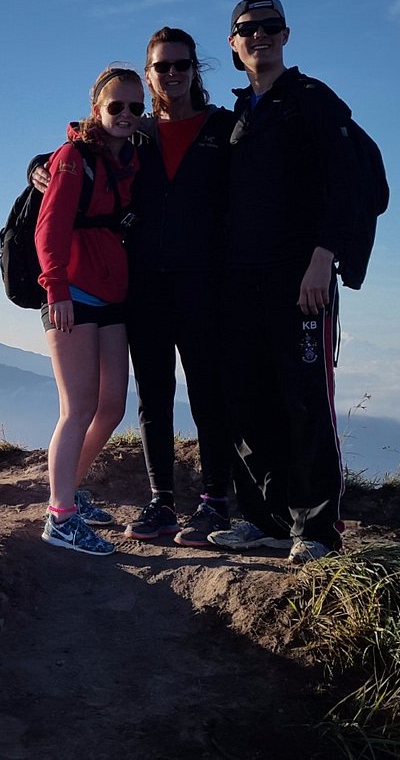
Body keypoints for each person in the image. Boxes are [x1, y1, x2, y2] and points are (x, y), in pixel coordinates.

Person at [208, 0, 355, 563]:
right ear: (234, 42)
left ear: (286, 35)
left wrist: (323, 260)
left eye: (270, 26)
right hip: (240, 282)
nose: (259, 35)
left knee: (304, 401)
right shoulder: (241, 112)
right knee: (247, 399)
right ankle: (264, 520)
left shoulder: (312, 100)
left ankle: (316, 530)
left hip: (300, 279)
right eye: (248, 28)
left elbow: (344, 186)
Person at [120, 29, 240, 547]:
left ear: (197, 69)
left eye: (181, 65)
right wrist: (37, 167)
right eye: (161, 66)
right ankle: (161, 502)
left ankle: (216, 501)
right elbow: (76, 151)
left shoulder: (225, 128)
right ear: (148, 75)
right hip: (144, 286)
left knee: (209, 391)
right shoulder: (132, 133)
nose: (172, 74)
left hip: (205, 284)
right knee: (153, 394)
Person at [37, 67, 141, 556]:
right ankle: (60, 517)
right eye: (115, 106)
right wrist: (55, 288)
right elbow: (49, 228)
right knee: (77, 408)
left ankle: (69, 492)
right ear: (96, 108)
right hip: (72, 295)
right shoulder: (74, 159)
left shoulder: (129, 159)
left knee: (112, 405)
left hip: (112, 297)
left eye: (135, 107)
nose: (125, 115)